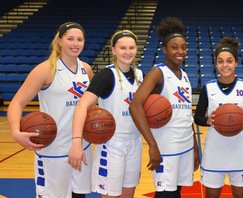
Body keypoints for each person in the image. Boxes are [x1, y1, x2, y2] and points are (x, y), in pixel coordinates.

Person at [7, 22, 92, 198]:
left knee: (79, 196)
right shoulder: (46, 69)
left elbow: (88, 107)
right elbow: (16, 103)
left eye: (79, 39)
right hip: (54, 149)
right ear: (59, 40)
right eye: (70, 39)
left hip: (81, 146)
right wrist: (16, 132)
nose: (75, 44)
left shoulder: (86, 69)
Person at [129, 17, 200, 197]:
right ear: (165, 50)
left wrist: (195, 148)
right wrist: (152, 144)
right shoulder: (157, 72)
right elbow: (135, 106)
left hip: (185, 144)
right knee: (165, 193)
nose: (180, 51)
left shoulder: (184, 75)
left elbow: (187, 114)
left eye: (183, 47)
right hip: (166, 146)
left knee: (177, 191)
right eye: (174, 47)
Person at [69, 30, 143, 197]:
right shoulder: (106, 75)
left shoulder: (140, 75)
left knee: (128, 194)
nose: (127, 52)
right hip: (111, 144)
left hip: (135, 142)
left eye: (131, 47)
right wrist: (76, 142)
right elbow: (82, 105)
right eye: (122, 47)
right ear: (114, 50)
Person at [194, 37, 243, 198]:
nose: (225, 65)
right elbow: (197, 118)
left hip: (239, 150)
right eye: (221, 61)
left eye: (229, 61)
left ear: (236, 63)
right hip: (215, 150)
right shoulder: (208, 88)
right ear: (216, 64)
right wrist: (207, 120)